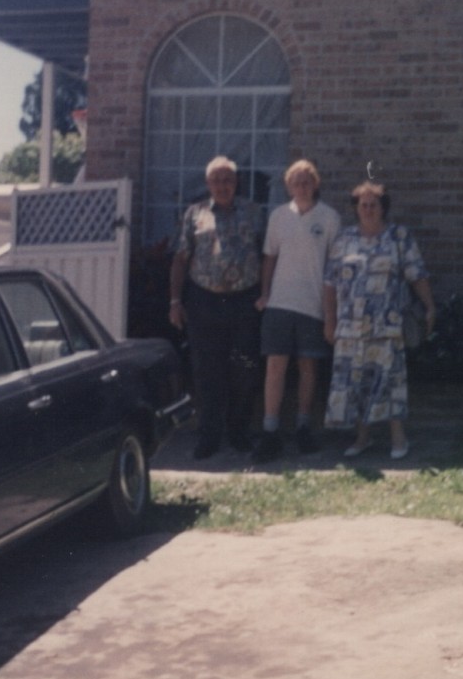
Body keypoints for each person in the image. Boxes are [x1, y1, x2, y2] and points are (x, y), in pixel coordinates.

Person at [323, 179, 435, 460]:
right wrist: (330, 321)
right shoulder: (344, 239)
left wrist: (430, 306)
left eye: (374, 205)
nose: (369, 209)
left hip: (387, 325)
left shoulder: (399, 237)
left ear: (383, 208)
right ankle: (362, 439)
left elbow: (416, 273)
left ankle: (399, 439)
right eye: (364, 205)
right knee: (356, 383)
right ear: (356, 208)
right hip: (351, 328)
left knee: (390, 382)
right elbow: (329, 284)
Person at [169, 156, 263, 459]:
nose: (222, 186)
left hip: (245, 300)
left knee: (244, 369)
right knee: (207, 371)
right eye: (217, 180)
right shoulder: (193, 214)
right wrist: (175, 301)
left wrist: (267, 294)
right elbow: (181, 259)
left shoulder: (254, 212)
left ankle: (238, 431)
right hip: (204, 301)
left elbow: (268, 255)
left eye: (228, 180)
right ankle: (209, 435)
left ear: (236, 183)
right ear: (208, 184)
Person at [253, 160, 341, 462]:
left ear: (315, 184)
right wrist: (265, 293)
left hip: (313, 306)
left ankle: (303, 427)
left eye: (307, 182)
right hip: (279, 303)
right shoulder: (278, 216)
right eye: (296, 182)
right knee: (275, 367)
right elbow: (269, 258)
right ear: (289, 186)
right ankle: (270, 431)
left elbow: (335, 267)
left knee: (308, 368)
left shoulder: (330, 218)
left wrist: (331, 312)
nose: (301, 187)